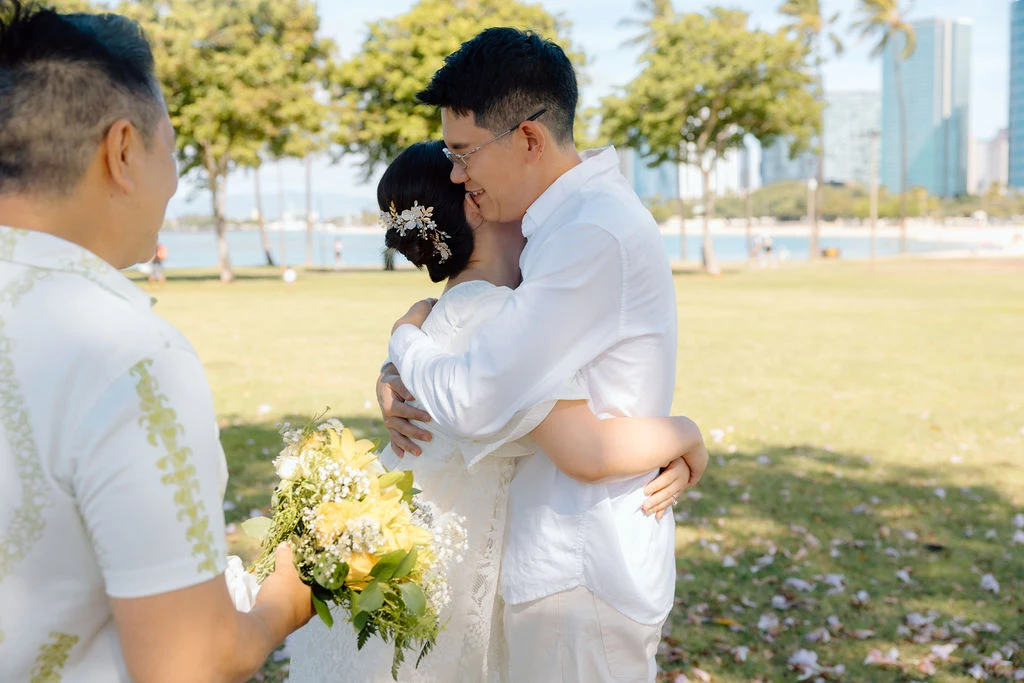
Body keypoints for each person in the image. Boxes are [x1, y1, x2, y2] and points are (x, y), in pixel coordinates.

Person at [287, 141, 707, 682]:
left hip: (437, 557)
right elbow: (585, 448)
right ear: (475, 207)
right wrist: (685, 433)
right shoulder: (498, 318)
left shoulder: (448, 312)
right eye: (475, 183)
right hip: (456, 573)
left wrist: (403, 342)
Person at [0, 4, 312, 681]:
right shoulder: (129, 353)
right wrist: (283, 602)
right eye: (171, 150)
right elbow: (190, 662)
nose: (175, 180)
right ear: (121, 151)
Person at [379, 28, 690, 682]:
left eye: (463, 153)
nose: (457, 174)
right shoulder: (560, 225)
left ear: (528, 137)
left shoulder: (588, 232)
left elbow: (475, 396)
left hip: (583, 571)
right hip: (561, 564)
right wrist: (392, 371)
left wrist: (405, 337)